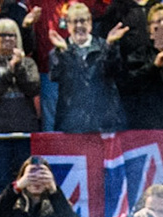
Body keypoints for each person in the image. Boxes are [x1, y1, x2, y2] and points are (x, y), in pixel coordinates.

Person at [0, 18, 38, 191]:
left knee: (26, 178)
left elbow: (33, 88)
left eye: (12, 35)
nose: (8, 39)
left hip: (23, 131)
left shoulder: (28, 63)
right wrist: (9, 72)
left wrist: (18, 68)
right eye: (2, 35)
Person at [48, 1, 124, 129]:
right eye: (74, 21)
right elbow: (56, 76)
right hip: (71, 123)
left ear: (90, 23)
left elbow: (114, 70)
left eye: (83, 21)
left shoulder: (104, 45)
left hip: (103, 123)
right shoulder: (59, 50)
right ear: (68, 25)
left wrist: (110, 47)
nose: (79, 25)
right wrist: (65, 52)